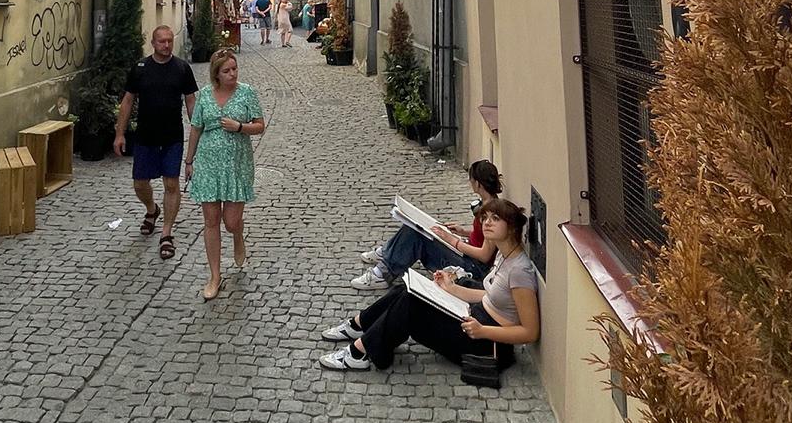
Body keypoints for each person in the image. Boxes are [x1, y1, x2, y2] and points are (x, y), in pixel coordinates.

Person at [319, 198, 539, 373]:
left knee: (411, 304)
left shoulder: (519, 271)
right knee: (405, 289)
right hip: (475, 318)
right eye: (485, 218)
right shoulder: (504, 255)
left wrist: (482, 331)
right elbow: (488, 296)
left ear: (511, 228)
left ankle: (358, 354)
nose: (486, 223)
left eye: (495, 219)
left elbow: (529, 332)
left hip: (487, 344)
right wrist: (450, 289)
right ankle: (360, 325)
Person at [184, 49, 266, 300]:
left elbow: (260, 126)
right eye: (226, 71)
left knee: (230, 222)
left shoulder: (247, 92)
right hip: (208, 165)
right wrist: (189, 161)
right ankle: (215, 276)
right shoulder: (205, 95)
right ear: (216, 74)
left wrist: (239, 127)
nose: (232, 74)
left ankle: (237, 234)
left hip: (236, 166)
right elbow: (196, 129)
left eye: (234, 68)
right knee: (211, 221)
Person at [351, 160, 503, 290]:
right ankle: (387, 253)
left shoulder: (490, 213)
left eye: (471, 180)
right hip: (468, 255)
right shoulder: (489, 203)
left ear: (478, 183)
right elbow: (484, 237)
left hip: (472, 267)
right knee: (414, 226)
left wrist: (452, 240)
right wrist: (463, 231)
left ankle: (382, 274)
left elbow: (484, 255)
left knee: (416, 235)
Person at [114, 26, 198, 260]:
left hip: (172, 136)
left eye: (169, 41)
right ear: (153, 43)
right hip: (145, 136)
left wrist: (197, 131)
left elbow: (191, 101)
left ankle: (166, 233)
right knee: (140, 184)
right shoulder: (140, 69)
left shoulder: (182, 68)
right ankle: (152, 209)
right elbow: (127, 101)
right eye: (162, 41)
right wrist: (120, 134)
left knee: (171, 183)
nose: (167, 45)